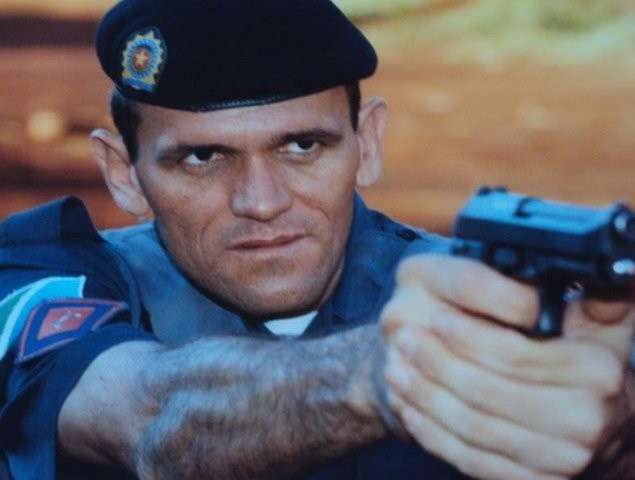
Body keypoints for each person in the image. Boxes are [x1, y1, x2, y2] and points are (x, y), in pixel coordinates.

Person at [0, 1, 634, 479]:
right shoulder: (49, 278)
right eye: (202, 158)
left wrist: (612, 434)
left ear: (368, 143)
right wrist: (391, 374)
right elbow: (149, 419)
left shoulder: (491, 303)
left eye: (303, 145)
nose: (261, 201)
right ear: (123, 173)